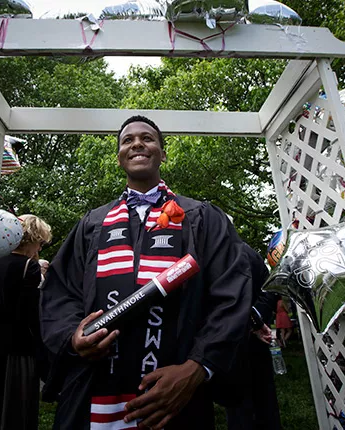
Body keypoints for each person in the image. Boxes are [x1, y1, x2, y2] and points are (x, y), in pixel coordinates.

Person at [40, 115, 252, 429]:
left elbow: (232, 294)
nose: (138, 143)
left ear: (163, 154)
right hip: (96, 386)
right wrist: (73, 337)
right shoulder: (93, 224)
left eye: (148, 138)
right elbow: (62, 292)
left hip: (177, 387)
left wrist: (197, 367)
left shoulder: (200, 218)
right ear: (119, 158)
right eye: (128, 140)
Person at [0, 214, 52, 430]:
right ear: (33, 238)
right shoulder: (30, 267)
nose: (39, 248)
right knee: (15, 412)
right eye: (40, 242)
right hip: (18, 353)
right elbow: (32, 317)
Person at [226, 245, 282, 430]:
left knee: (262, 397)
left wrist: (254, 318)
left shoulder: (246, 253)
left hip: (253, 340)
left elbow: (271, 289)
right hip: (229, 341)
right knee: (238, 404)